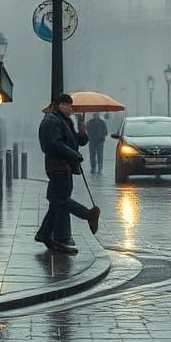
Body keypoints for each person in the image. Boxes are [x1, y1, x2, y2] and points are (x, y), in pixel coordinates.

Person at [35, 93, 100, 255]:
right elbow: (54, 145)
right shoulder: (52, 121)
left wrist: (82, 129)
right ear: (60, 105)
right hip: (58, 167)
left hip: (65, 167)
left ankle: (44, 234)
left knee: (56, 202)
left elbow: (78, 141)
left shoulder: (65, 121)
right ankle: (88, 214)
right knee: (61, 200)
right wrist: (73, 154)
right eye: (69, 105)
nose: (71, 109)